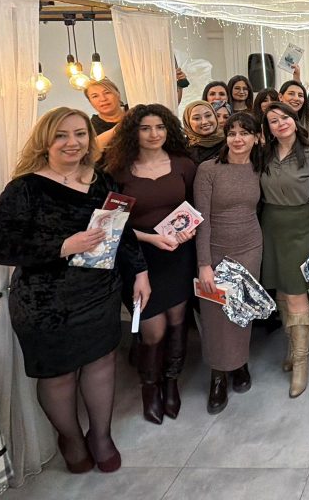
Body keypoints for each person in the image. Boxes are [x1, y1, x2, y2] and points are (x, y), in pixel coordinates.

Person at [0, 107, 150, 474]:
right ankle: (71, 438)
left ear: (90, 139)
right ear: (46, 141)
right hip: (44, 301)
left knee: (101, 363)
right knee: (58, 376)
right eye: (61, 135)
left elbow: (120, 233)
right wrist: (62, 246)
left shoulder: (102, 181)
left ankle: (101, 436)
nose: (72, 142)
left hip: (99, 292)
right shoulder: (25, 188)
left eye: (80, 134)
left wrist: (140, 272)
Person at [104, 104, 197, 424]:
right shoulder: (117, 171)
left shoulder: (184, 165)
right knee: (152, 329)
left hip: (179, 255)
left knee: (177, 321)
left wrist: (187, 230)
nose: (154, 134)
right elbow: (110, 225)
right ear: (133, 132)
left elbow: (194, 208)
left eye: (160, 127)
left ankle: (171, 383)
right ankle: (149, 388)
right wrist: (151, 238)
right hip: (137, 258)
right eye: (145, 128)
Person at [259, 103, 309, 397]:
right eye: (273, 120)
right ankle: (292, 349)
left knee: (297, 293)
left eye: (285, 117)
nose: (281, 123)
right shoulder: (264, 153)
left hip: (302, 228)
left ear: (294, 119)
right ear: (268, 128)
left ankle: (301, 363)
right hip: (271, 227)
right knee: (281, 292)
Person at [193, 112, 263, 414]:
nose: (238, 139)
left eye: (244, 133)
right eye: (232, 133)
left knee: (242, 310)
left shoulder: (258, 167)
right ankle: (218, 375)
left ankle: (240, 363)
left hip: (250, 247)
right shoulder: (208, 170)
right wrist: (204, 264)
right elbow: (202, 220)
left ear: (256, 138)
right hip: (216, 250)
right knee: (215, 316)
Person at [182, 100, 225, 164]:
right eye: (197, 118)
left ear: (215, 116)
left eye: (208, 115)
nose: (204, 122)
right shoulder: (183, 149)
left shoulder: (229, 142)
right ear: (188, 122)